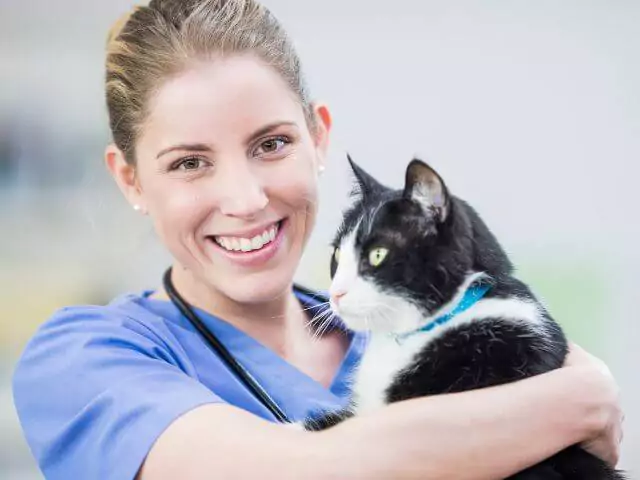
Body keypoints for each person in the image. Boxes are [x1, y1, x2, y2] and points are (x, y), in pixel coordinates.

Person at [12, 1, 623, 479]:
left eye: (271, 144)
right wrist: (582, 398)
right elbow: (301, 470)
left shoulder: (396, 332)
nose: (246, 199)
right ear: (130, 179)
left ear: (318, 138)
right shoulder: (82, 360)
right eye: (190, 163)